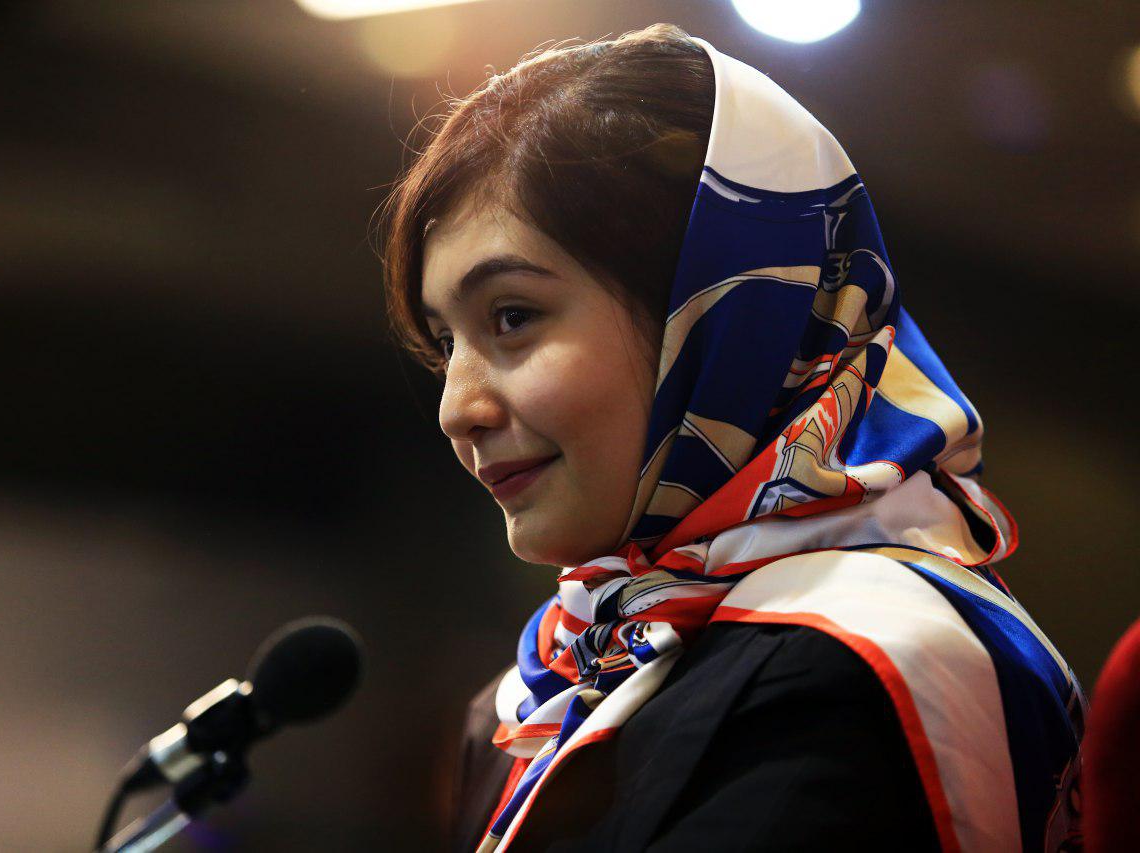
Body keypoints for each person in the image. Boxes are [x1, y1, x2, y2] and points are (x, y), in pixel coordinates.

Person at [379, 23, 1085, 852]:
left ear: (726, 318)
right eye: (446, 342)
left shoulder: (857, 666)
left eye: (512, 316)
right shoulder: (545, 685)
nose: (455, 407)